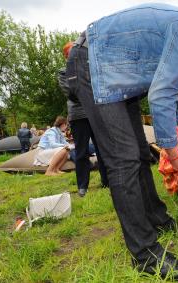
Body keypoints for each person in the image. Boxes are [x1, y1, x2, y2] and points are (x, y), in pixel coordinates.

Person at [65, 3, 178, 278]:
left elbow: (173, 88)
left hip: (117, 74)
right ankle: (146, 255)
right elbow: (161, 94)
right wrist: (171, 148)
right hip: (96, 63)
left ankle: (159, 221)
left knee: (140, 153)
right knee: (124, 160)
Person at [59, 41, 108, 197]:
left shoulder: (91, 68)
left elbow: (100, 87)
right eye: (73, 52)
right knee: (81, 151)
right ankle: (82, 186)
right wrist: (90, 94)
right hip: (78, 115)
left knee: (102, 148)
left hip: (95, 113)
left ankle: (107, 181)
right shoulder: (63, 72)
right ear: (68, 55)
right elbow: (71, 93)